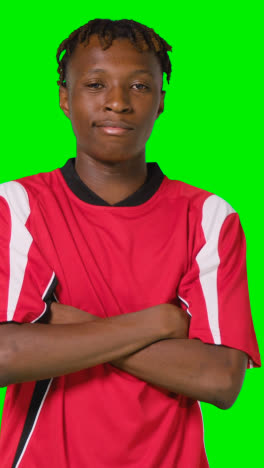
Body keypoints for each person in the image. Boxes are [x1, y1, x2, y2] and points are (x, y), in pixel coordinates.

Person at [0, 18, 261, 468]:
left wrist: (57, 322)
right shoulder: (18, 206)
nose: (118, 102)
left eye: (140, 86)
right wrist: (160, 322)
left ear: (161, 102)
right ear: (65, 98)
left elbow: (218, 379)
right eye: (96, 84)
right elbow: (6, 355)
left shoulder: (207, 217)